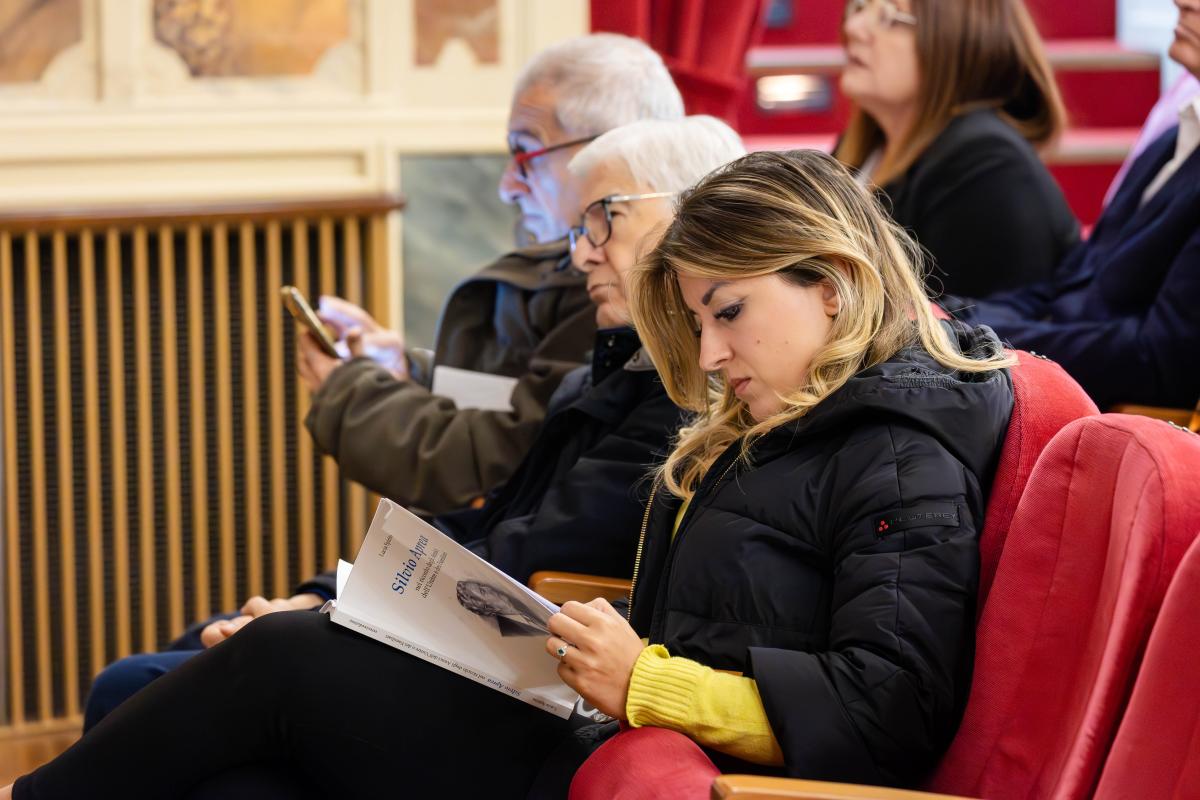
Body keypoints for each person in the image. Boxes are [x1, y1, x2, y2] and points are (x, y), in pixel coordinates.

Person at [7, 148, 1013, 799]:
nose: (710, 353)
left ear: (831, 287)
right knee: (241, 785)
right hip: (592, 725)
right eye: (699, 320)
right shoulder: (787, 415)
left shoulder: (898, 453)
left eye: (729, 311)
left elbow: (886, 710)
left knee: (280, 654)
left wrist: (646, 680)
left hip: (632, 751)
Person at [79, 117, 745, 735]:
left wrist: (331, 608)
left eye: (602, 219)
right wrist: (322, 596)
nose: (582, 254)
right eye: (579, 229)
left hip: (503, 657)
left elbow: (521, 529)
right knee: (180, 666)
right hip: (459, 621)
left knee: (138, 684)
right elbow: (496, 489)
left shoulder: (676, 391)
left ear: (690, 217)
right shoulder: (611, 363)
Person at [296, 32, 684, 521]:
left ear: (608, 149)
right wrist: (404, 371)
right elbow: (499, 395)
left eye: (526, 154)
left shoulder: (617, 297)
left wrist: (350, 389)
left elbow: (493, 466)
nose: (506, 186)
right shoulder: (569, 269)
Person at [941, 0, 1200, 410]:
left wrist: (975, 334)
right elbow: (1073, 281)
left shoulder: (988, 156)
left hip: (1104, 415)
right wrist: (953, 314)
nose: (1182, 3)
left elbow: (1160, 359)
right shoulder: (1176, 137)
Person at [835, 0, 1078, 297]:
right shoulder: (866, 147)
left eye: (888, 15)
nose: (853, 27)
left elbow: (973, 322)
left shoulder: (987, 167)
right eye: (860, 6)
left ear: (956, 37)